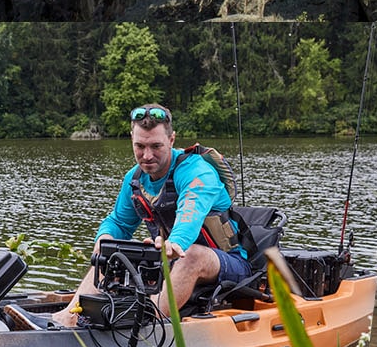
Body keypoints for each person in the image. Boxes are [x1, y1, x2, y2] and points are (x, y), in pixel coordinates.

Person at [44, 103, 251, 328]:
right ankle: (69, 318)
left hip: (228, 263)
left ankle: (145, 326)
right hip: (168, 262)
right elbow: (118, 222)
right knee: (109, 247)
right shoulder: (134, 179)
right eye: (140, 146)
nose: (147, 155)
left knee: (190, 255)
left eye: (156, 146)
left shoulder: (197, 171)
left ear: (171, 140)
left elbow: (189, 215)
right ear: (131, 139)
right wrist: (103, 238)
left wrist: (175, 243)